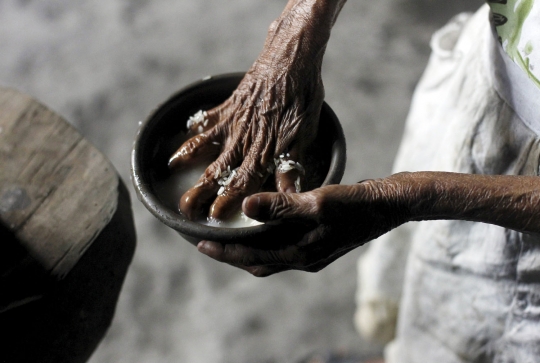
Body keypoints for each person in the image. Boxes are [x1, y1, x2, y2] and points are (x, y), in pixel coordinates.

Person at [169, 0, 540, 361]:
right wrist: (301, 21)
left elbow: (415, 197)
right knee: (421, 267)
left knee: (479, 326)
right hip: (497, 61)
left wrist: (410, 198)